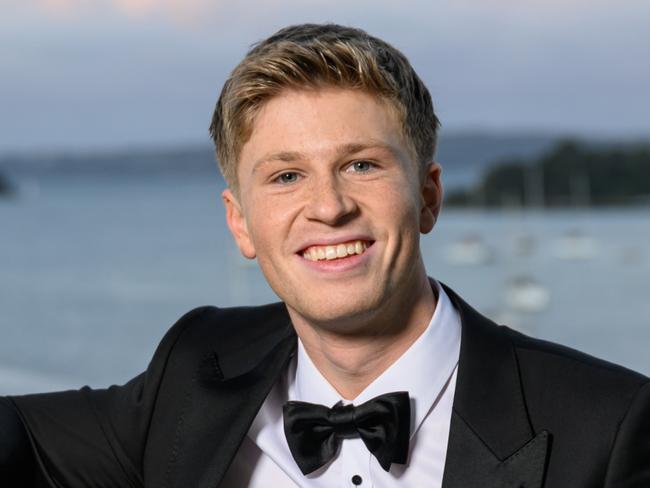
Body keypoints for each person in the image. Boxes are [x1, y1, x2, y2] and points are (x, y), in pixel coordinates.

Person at [1, 23, 649, 488]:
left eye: (361, 164)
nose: (328, 206)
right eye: (285, 176)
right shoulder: (195, 372)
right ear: (241, 223)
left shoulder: (610, 426)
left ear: (427, 196)